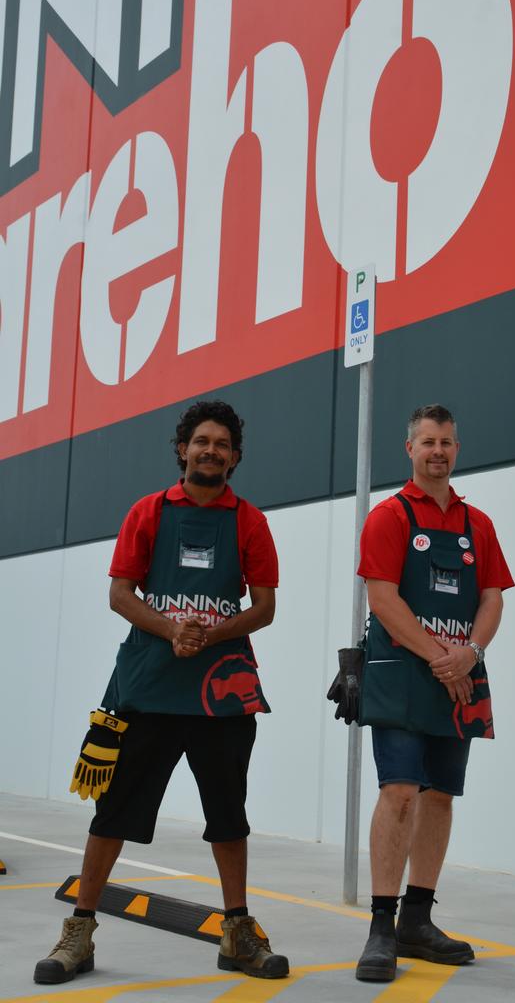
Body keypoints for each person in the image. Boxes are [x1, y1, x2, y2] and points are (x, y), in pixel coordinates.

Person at [34, 401, 288, 985]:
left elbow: (266, 608)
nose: (211, 451)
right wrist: (173, 628)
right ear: (182, 449)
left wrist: (211, 635)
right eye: (202, 441)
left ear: (235, 457)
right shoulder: (148, 512)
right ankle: (78, 932)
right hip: (145, 689)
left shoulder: (249, 521)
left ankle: (237, 934)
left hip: (222, 696)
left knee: (229, 817)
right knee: (113, 812)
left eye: (222, 444)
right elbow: (120, 595)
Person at [354, 403, 514, 982]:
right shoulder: (390, 516)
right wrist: (441, 655)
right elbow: (383, 599)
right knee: (399, 792)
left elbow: (493, 596)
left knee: (442, 795)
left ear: (456, 449)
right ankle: (380, 926)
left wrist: (470, 653)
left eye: (446, 442)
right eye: (428, 442)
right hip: (401, 672)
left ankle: (417, 921)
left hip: (459, 676)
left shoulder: (479, 525)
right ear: (410, 449)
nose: (438, 451)